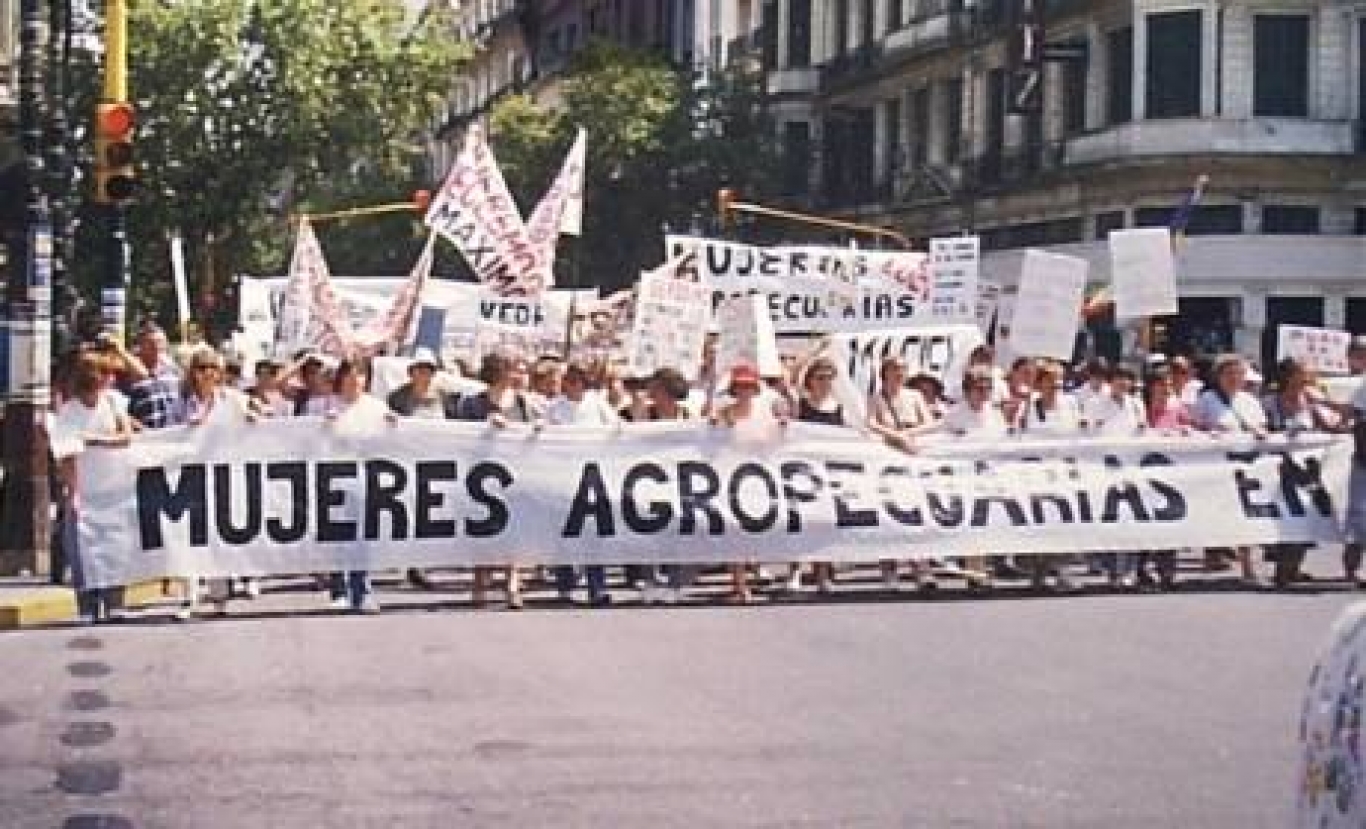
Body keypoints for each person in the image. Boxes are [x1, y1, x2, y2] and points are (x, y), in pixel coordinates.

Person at [172, 346, 263, 618]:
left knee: (217, 536)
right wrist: (189, 426)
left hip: (224, 476)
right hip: (190, 475)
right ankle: (189, 598)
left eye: (213, 368)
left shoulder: (233, 399)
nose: (207, 374)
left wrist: (252, 417)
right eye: (201, 368)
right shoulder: (183, 402)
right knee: (190, 537)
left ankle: (219, 595)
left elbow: (259, 417)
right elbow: (168, 432)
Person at [54, 352, 135, 623]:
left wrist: (95, 440)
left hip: (115, 486)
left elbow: (126, 437)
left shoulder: (114, 403)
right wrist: (73, 494)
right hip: (85, 489)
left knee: (116, 546)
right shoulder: (69, 412)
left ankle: (114, 602)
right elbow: (66, 457)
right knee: (82, 551)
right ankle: (87, 606)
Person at [455, 353, 537, 609]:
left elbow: (529, 429)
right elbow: (459, 435)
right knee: (483, 528)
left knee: (514, 527)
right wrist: (485, 427)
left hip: (513, 472)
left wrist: (535, 430)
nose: (512, 375)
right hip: (481, 474)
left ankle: (512, 582)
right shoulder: (473, 404)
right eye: (507, 370)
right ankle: (480, 582)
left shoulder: (522, 403)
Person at [620, 367, 696, 603]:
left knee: (685, 530)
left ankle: (676, 581)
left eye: (657, 388)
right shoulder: (646, 413)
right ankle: (650, 580)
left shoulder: (688, 416)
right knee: (649, 530)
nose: (652, 392)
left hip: (681, 480)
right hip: (649, 481)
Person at [714, 363, 789, 603]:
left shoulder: (764, 412)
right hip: (732, 477)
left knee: (756, 530)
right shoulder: (725, 412)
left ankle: (755, 573)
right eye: (740, 385)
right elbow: (713, 439)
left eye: (748, 385)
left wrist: (783, 426)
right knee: (734, 532)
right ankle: (740, 585)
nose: (744, 389)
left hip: (760, 476)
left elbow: (777, 438)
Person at [324, 359, 394, 614]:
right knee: (336, 537)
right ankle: (339, 589)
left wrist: (393, 426)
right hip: (332, 480)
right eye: (350, 375)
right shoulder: (326, 404)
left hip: (365, 480)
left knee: (362, 537)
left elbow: (389, 440)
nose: (355, 380)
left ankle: (361, 590)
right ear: (341, 378)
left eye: (361, 375)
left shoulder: (376, 407)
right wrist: (323, 425)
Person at [546, 362, 619, 606]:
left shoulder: (597, 403)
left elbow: (617, 427)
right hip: (563, 477)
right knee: (565, 532)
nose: (575, 385)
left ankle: (597, 587)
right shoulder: (554, 407)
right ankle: (564, 585)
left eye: (580, 380)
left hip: (593, 478)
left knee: (593, 534)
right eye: (571, 379)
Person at [385, 348, 458, 590]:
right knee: (409, 513)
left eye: (428, 369)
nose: (424, 373)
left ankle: (422, 563)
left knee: (432, 515)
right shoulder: (398, 397)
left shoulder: (445, 397)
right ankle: (410, 562)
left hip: (438, 463)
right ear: (411, 372)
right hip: (407, 463)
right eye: (419, 369)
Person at [866, 357, 940, 591]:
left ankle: (921, 567)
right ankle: (889, 569)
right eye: (894, 370)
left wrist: (910, 434)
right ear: (885, 373)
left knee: (919, 514)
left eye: (903, 369)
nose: (899, 374)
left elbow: (930, 424)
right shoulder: (876, 399)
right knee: (890, 513)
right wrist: (895, 435)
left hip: (913, 459)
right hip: (886, 462)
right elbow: (870, 424)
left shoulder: (915, 397)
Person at [1193, 353, 1267, 584]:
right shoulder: (1207, 399)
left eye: (1239, 374)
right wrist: (1208, 433)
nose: (1235, 378)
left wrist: (1259, 431)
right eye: (1229, 374)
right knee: (1218, 511)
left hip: (1247, 464)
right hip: (1216, 465)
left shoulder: (1250, 401)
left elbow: (1263, 425)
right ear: (1219, 376)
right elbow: (1193, 425)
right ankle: (1213, 552)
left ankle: (1248, 566)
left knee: (1248, 513)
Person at [1262, 358, 1334, 588]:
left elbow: (1328, 427)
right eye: (1302, 374)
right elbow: (1261, 427)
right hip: (1279, 470)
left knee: (1305, 519)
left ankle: (1294, 568)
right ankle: (1281, 572)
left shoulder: (1310, 402)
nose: (1307, 378)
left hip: (1307, 471)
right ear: (1288, 376)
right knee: (1286, 519)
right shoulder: (1271, 402)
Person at [1019, 361, 1081, 591]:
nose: (1056, 384)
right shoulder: (1030, 407)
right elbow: (1020, 437)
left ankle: (1061, 570)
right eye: (1050, 379)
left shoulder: (1071, 403)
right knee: (1042, 521)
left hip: (1065, 470)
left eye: (1059, 379)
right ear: (1040, 383)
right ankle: (1040, 570)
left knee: (1065, 521)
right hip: (1038, 472)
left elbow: (1078, 433)